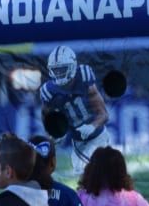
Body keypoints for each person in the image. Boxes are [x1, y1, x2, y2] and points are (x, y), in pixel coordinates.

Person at [39, 44, 111, 177]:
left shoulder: (84, 77)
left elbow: (104, 114)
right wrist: (54, 133)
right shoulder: (48, 91)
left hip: (98, 136)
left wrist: (92, 126)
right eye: (56, 70)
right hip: (78, 143)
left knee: (100, 176)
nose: (59, 73)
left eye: (62, 69)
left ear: (72, 66)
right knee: (84, 181)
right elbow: (46, 117)